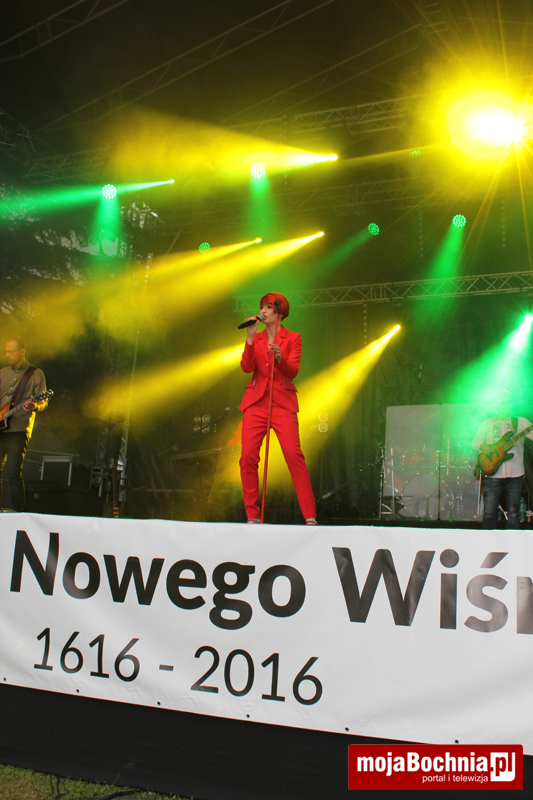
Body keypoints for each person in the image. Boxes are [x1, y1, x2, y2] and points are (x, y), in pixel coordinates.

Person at [239, 292, 317, 525]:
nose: (262, 311)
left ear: (279, 311)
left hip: (282, 402)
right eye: (261, 307)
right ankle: (252, 515)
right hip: (256, 402)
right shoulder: (256, 337)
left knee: (293, 455)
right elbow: (246, 367)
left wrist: (281, 358)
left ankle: (310, 515)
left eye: (268, 307)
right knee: (247, 456)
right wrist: (250, 338)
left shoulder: (293, 338)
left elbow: (293, 371)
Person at [472, 390, 533, 529]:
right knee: (489, 513)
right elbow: (475, 443)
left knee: (514, 513)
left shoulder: (521, 422)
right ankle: (487, 539)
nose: (507, 405)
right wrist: (483, 446)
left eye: (509, 402)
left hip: (515, 473)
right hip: (492, 472)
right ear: (496, 405)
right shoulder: (486, 423)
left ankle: (512, 541)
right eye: (503, 403)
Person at [0, 338, 47, 511]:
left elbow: (43, 401)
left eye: (11, 352)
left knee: (13, 471)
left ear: (22, 351)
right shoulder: (2, 373)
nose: (7, 355)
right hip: (0, 428)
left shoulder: (35, 374)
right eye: (6, 351)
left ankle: (19, 512)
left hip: (19, 428)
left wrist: (35, 406)